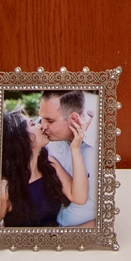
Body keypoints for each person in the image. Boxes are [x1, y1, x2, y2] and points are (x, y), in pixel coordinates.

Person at [37, 91, 96, 226]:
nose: (42, 126)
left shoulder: (104, 147)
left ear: (74, 119)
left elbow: (114, 217)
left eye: (49, 121)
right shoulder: (47, 140)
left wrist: (68, 235)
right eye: (41, 118)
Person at [0, 111, 65, 227]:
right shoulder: (5, 189)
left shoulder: (49, 168)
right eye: (33, 124)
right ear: (20, 139)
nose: (41, 126)